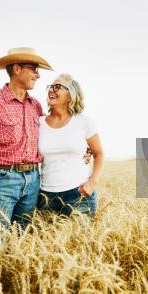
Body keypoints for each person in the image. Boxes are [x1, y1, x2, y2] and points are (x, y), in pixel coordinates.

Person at [0, 47, 52, 232]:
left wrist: (83, 151)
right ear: (17, 69)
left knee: (21, 241)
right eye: (34, 69)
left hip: (33, 181)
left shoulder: (36, 106)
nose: (38, 75)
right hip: (0, 182)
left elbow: (51, 137)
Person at [37, 74, 104, 217]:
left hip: (78, 194)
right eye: (50, 87)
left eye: (57, 87)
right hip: (45, 196)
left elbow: (99, 153)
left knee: (79, 239)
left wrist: (92, 182)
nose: (51, 90)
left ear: (70, 95)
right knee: (48, 239)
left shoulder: (84, 122)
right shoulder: (39, 123)